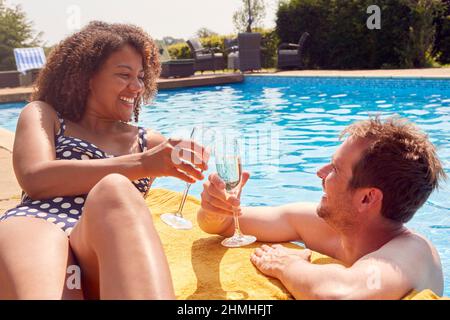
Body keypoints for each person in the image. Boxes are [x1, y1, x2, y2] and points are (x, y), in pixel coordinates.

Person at [0, 21, 208, 299]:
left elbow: (206, 204)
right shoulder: (44, 115)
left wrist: (219, 198)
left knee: (116, 190)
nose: (136, 87)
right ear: (86, 76)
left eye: (141, 77)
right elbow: (35, 178)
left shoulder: (149, 142)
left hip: (102, 242)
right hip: (40, 222)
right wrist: (142, 164)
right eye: (124, 75)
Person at [198, 117, 446, 299]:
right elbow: (226, 225)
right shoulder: (329, 225)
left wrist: (288, 266)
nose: (320, 173)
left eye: (335, 169)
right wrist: (216, 208)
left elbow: (338, 296)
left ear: (367, 199)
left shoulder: (412, 253)